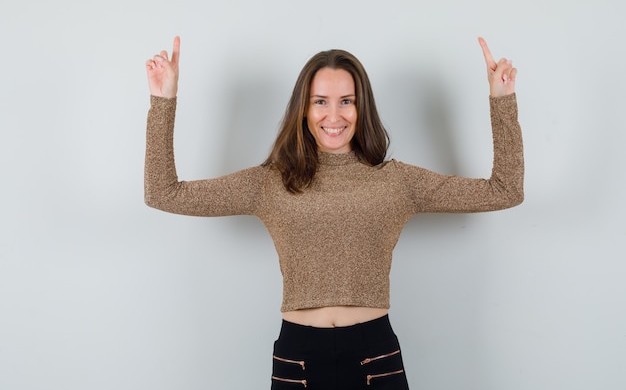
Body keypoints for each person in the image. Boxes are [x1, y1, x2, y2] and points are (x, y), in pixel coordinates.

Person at [144, 36, 523, 390]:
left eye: (346, 101)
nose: (334, 115)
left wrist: (501, 100)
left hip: (375, 357)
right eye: (320, 101)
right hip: (299, 361)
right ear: (303, 108)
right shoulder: (270, 183)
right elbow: (164, 194)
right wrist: (164, 101)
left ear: (361, 107)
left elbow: (504, 191)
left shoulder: (397, 182)